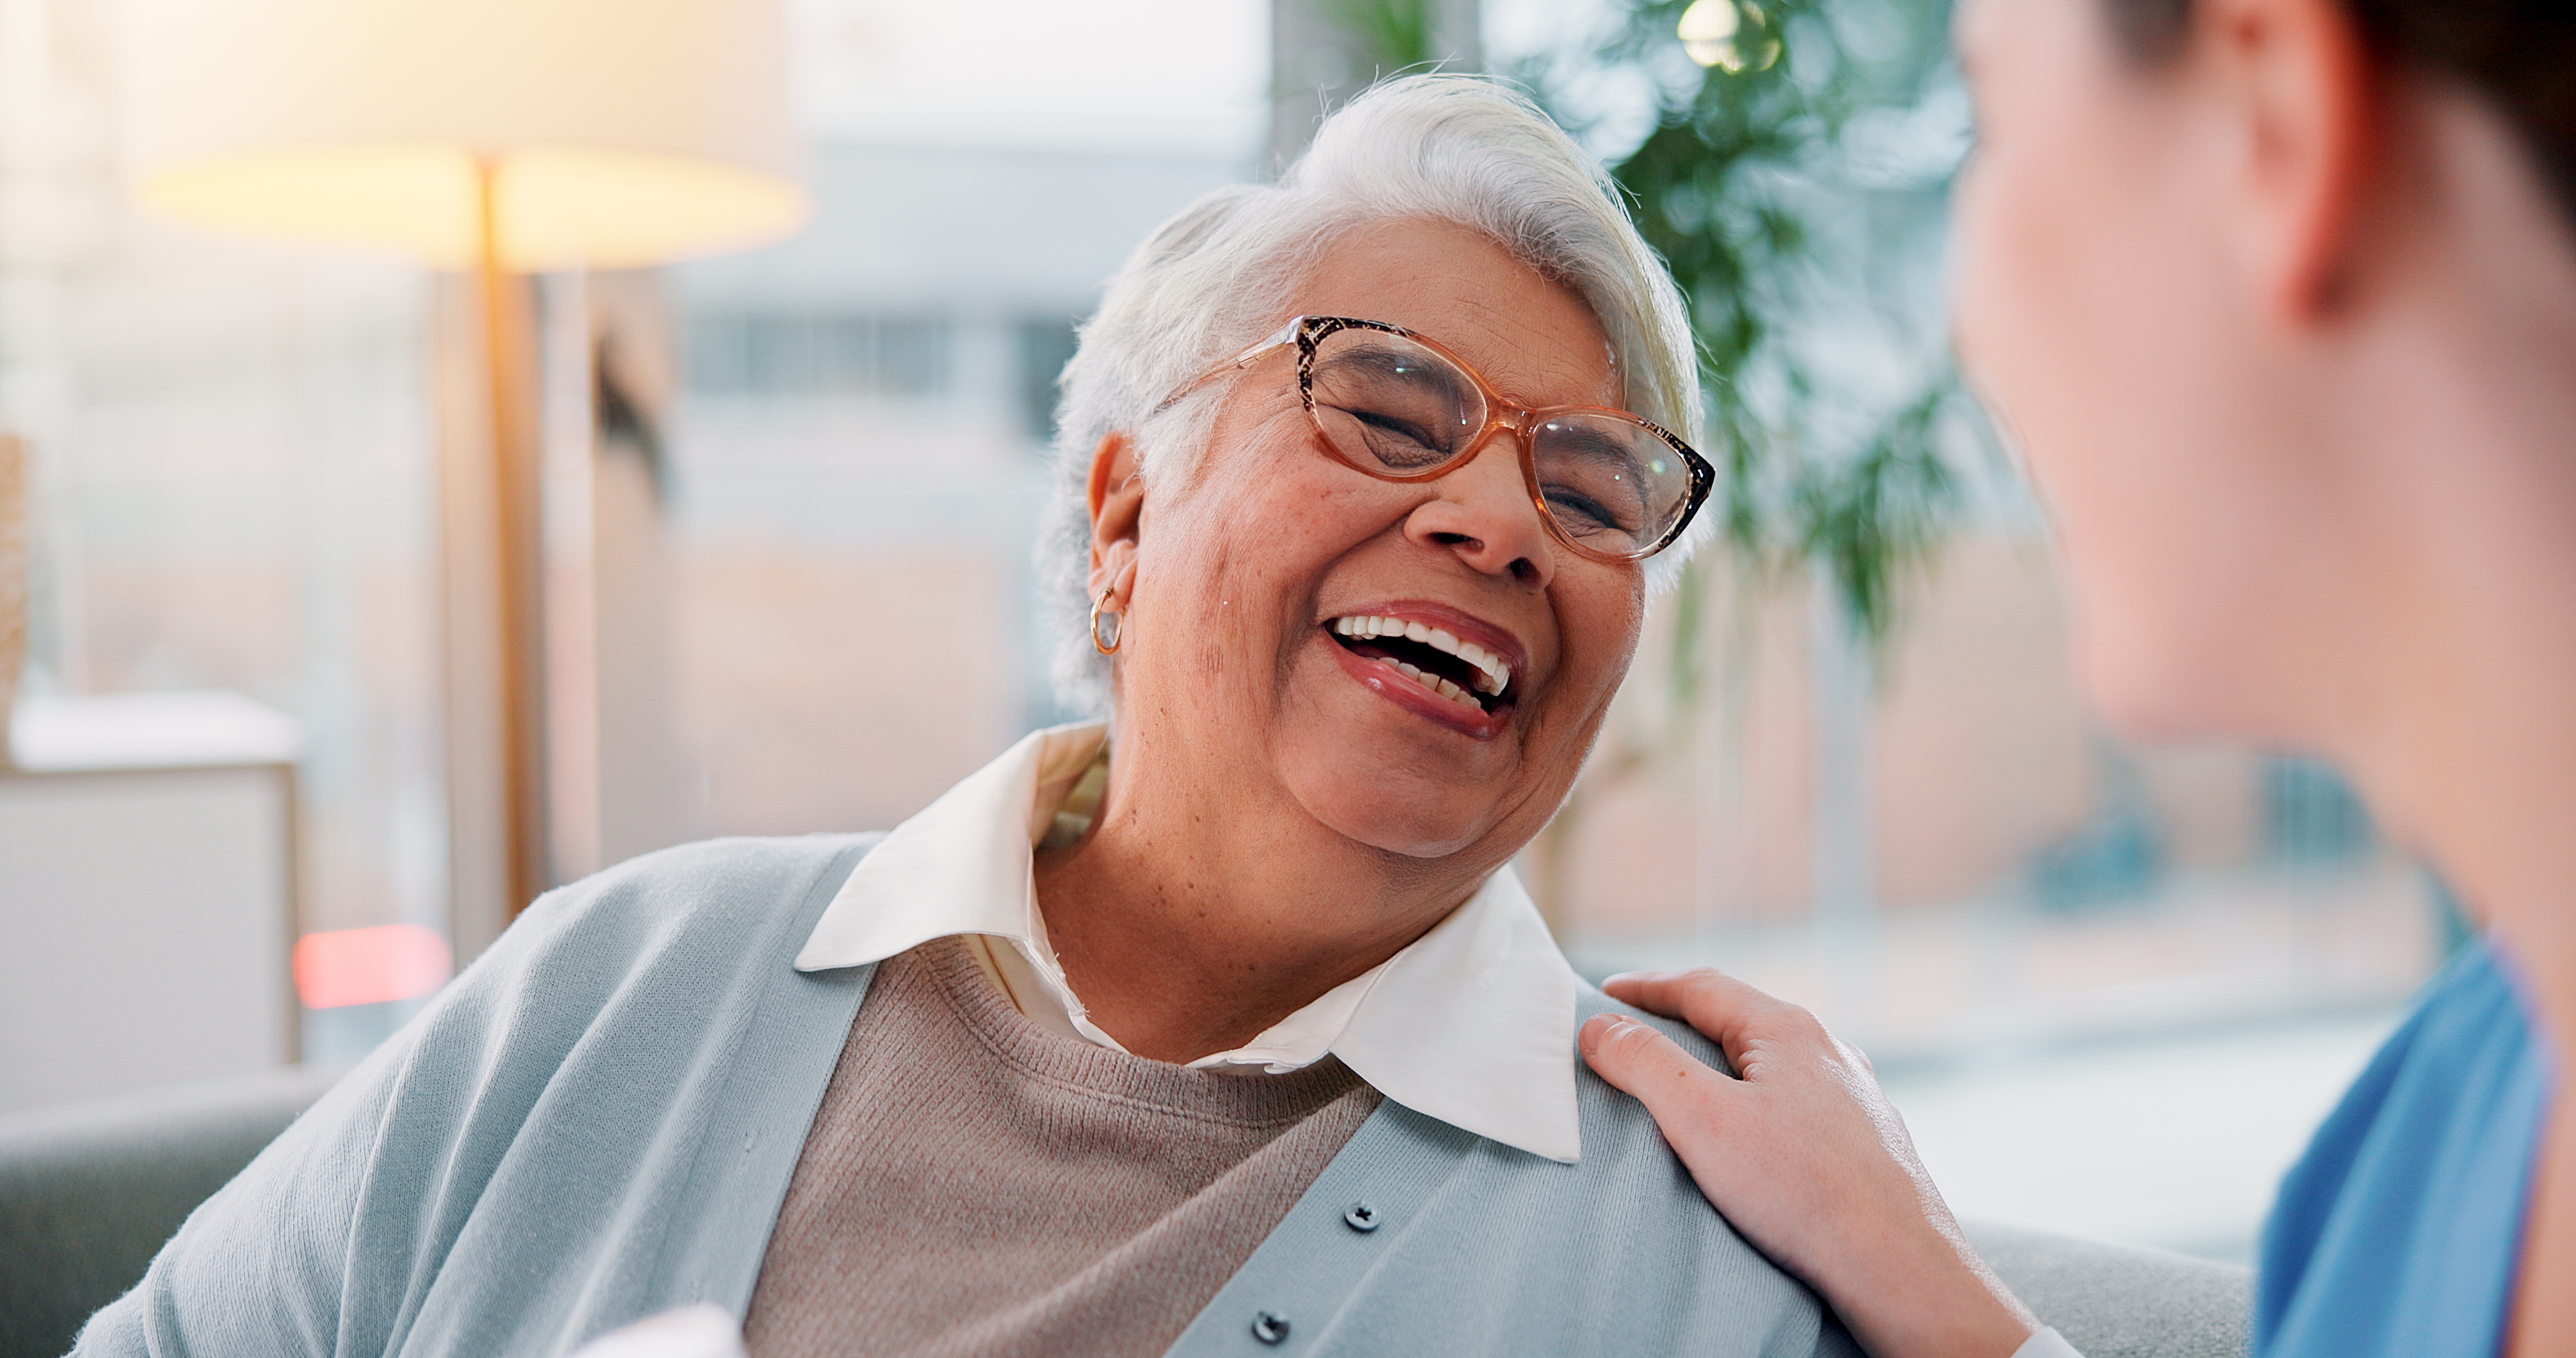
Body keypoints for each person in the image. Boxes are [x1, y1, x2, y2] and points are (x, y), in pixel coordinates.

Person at [74, 77, 1857, 1357]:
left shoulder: (1709, 1227)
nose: (1496, 522)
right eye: (1386, 408)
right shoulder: (619, 986)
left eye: (1594, 488)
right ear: (1124, 521)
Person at [1577, 0, 2573, 1353]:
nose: (1970, 332)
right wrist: (1910, 1268)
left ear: (2271, 121)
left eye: (1988, 121)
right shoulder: (2432, 1135)